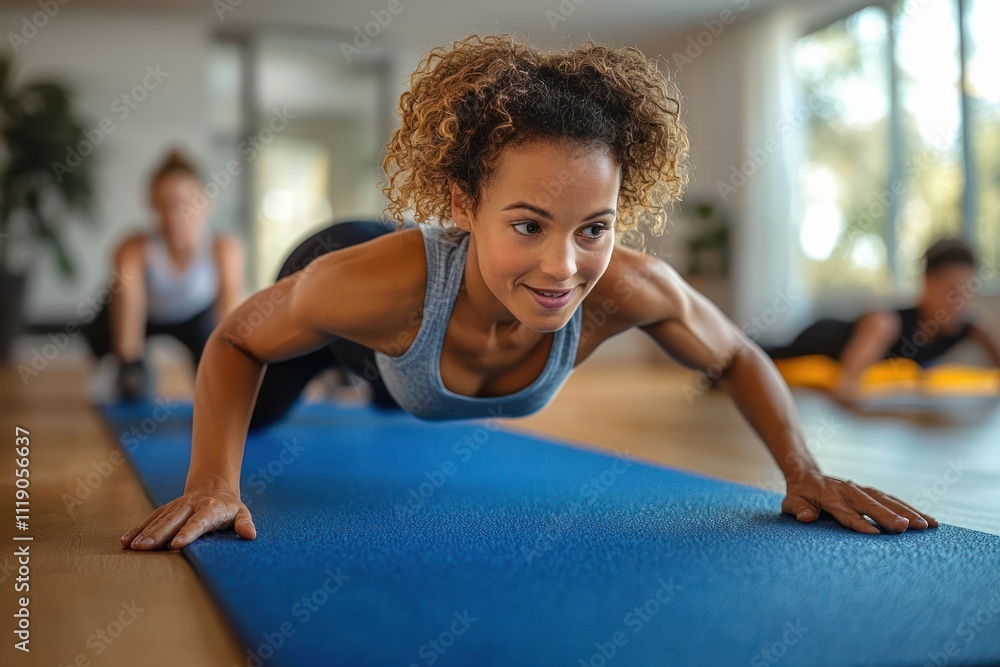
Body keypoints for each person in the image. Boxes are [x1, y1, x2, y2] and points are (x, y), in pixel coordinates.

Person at [120, 34, 939, 552]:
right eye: (528, 224)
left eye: (593, 226)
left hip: (419, 329)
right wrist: (214, 484)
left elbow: (734, 352)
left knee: (390, 404)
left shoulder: (626, 287)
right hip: (368, 289)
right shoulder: (370, 286)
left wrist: (804, 470)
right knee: (260, 418)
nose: (562, 268)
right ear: (462, 204)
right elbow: (234, 338)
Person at [82, 150, 245, 401]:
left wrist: (228, 371)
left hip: (195, 319)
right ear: (153, 206)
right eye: (164, 205)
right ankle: (113, 373)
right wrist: (130, 371)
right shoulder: (132, 250)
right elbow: (129, 322)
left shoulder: (224, 249)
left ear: (205, 204)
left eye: (184, 204)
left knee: (221, 380)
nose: (173, 215)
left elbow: (229, 325)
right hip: (146, 317)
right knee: (131, 384)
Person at [765, 238, 1000, 405]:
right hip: (819, 339)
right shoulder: (888, 323)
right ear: (927, 284)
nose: (958, 302)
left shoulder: (969, 328)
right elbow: (846, 388)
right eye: (951, 291)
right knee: (754, 354)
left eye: (967, 292)